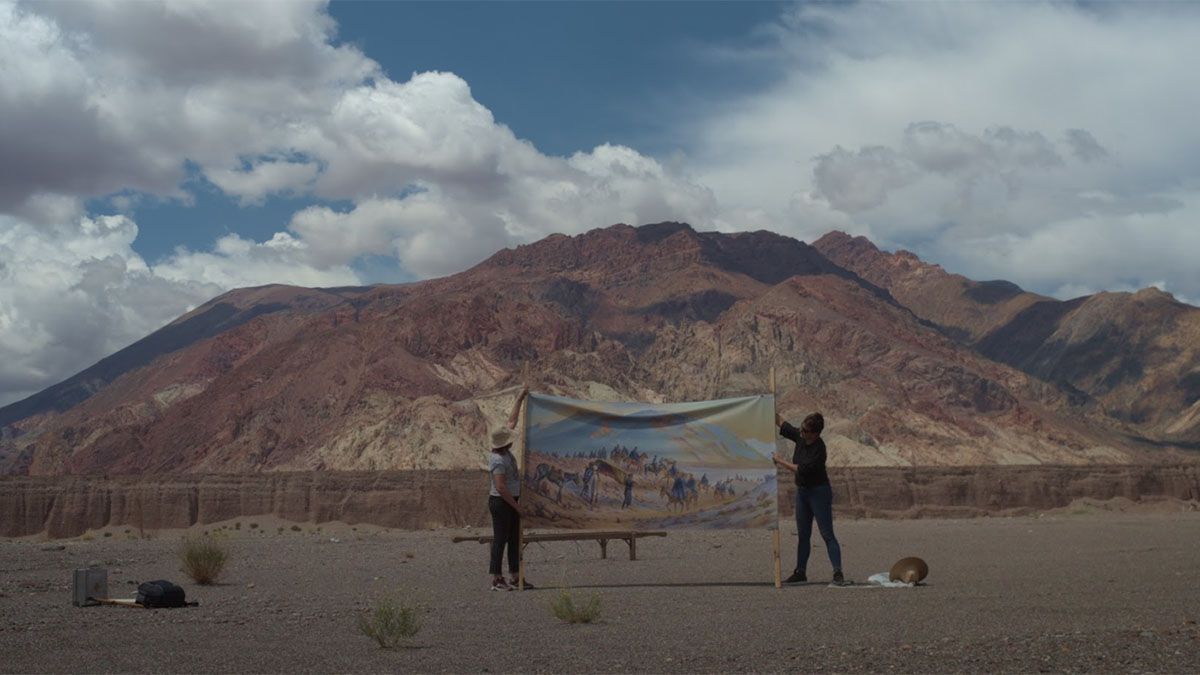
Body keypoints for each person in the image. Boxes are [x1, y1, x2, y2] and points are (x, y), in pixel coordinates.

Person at [772, 411, 844, 585]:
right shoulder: (800, 436)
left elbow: (800, 469)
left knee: (827, 534)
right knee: (803, 534)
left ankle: (838, 572)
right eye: (802, 429)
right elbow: (782, 423)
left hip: (818, 493)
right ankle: (800, 571)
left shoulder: (819, 449)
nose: (801, 432)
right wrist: (767, 405)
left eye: (805, 431)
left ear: (815, 433)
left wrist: (779, 461)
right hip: (803, 492)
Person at [487, 386, 532, 591]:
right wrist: (517, 507)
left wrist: (520, 399)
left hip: (511, 501)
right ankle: (497, 578)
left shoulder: (503, 453)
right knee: (500, 539)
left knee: (514, 538)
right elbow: (501, 486)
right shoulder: (497, 460)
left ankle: (515, 575)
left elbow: (512, 421)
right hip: (502, 502)